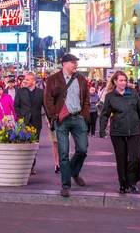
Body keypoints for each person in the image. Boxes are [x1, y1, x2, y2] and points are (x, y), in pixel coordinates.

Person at [43, 53, 90, 198]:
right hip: (62, 120)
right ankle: (65, 185)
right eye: (73, 62)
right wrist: (54, 116)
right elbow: (47, 99)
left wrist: (84, 115)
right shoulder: (53, 79)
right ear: (64, 64)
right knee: (63, 152)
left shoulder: (81, 79)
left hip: (78, 118)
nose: (76, 65)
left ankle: (74, 171)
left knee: (82, 149)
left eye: (76, 62)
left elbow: (86, 99)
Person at [100, 71, 140, 194]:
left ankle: (133, 182)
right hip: (117, 132)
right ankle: (123, 183)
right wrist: (102, 130)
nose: (123, 83)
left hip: (134, 130)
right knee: (121, 159)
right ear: (115, 81)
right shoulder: (110, 96)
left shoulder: (133, 93)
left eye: (125, 80)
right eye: (121, 80)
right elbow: (105, 113)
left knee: (135, 158)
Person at [14, 73, 44, 174]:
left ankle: (31, 166)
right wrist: (20, 117)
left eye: (27, 80)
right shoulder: (20, 91)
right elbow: (16, 105)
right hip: (24, 122)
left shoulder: (41, 92)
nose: (25, 81)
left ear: (34, 81)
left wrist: (50, 120)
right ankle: (23, 166)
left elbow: (46, 107)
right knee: (23, 144)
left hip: (36, 122)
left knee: (34, 145)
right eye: (24, 80)